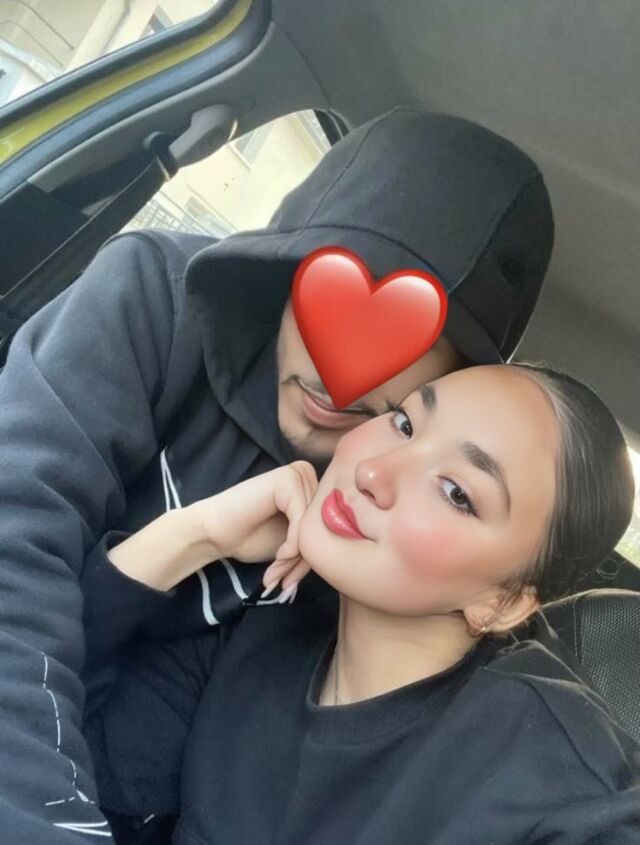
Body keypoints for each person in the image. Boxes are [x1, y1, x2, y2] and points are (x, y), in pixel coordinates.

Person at [0, 106, 554, 840]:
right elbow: (14, 535)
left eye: (410, 351)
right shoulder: (156, 301)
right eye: (338, 302)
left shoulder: (371, 528)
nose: (339, 378)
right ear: (288, 271)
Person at [83, 362, 639, 844]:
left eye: (457, 493)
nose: (372, 472)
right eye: (404, 423)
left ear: (504, 602)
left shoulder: (553, 774)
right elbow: (64, 737)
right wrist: (193, 536)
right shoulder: (264, 618)